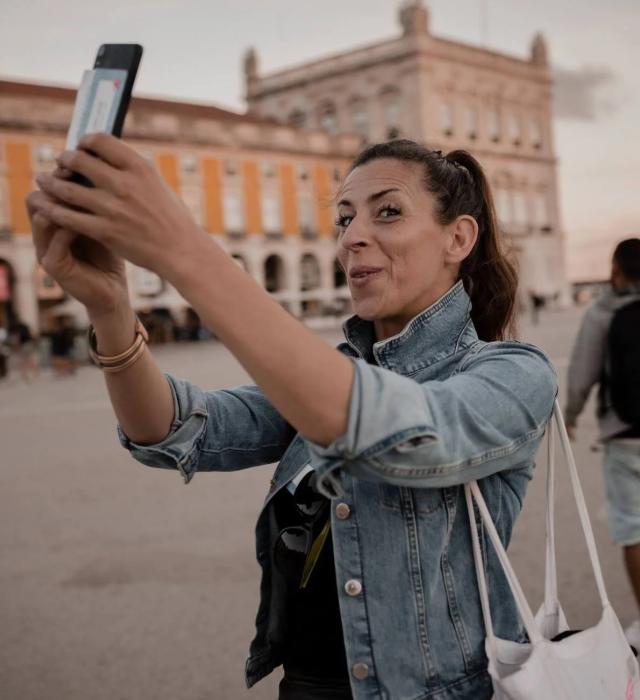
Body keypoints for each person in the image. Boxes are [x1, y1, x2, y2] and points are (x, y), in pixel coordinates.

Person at [27, 135, 557, 700]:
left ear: (458, 237)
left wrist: (185, 251)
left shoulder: (514, 374)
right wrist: (110, 307)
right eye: (344, 218)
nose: (353, 237)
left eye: (389, 212)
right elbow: (175, 428)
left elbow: (387, 433)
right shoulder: (325, 376)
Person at [565, 237, 640, 647]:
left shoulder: (602, 312)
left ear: (616, 271)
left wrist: (571, 417)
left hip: (625, 434)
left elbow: (581, 374)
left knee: (633, 529)